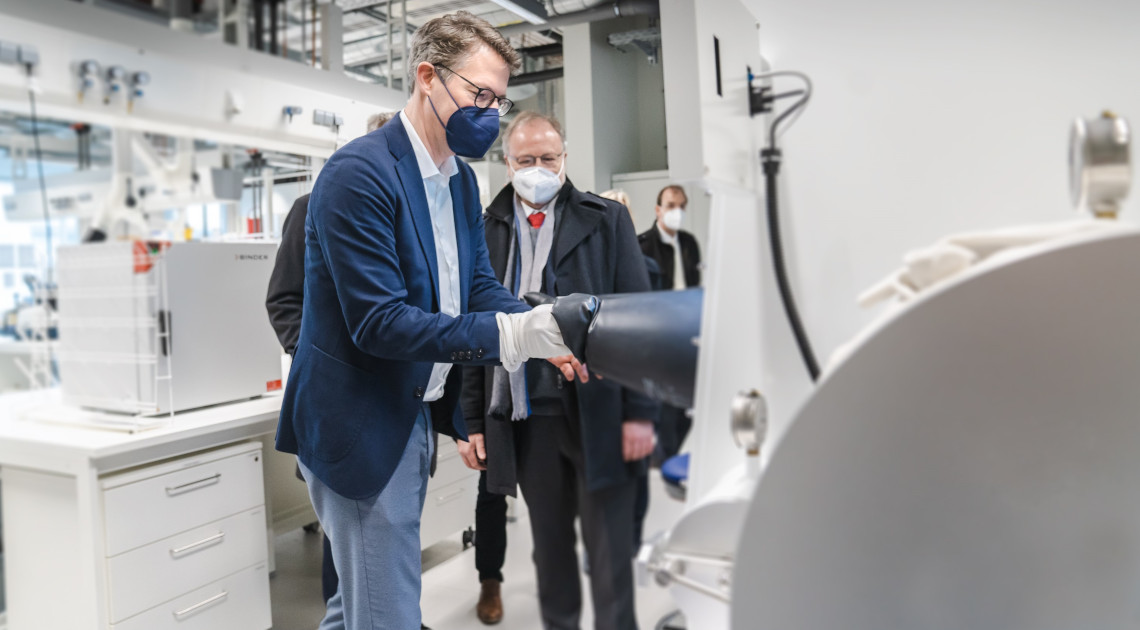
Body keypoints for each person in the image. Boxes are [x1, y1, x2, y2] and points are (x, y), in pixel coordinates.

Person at [274, 13, 576, 630]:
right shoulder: (359, 174)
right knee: (384, 615)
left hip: (409, 412)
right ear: (427, 77)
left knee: (355, 606)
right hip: (356, 424)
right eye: (478, 94)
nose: (489, 113)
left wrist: (538, 324)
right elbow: (381, 323)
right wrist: (510, 336)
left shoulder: (460, 181)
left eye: (498, 98)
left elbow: (476, 287)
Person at [460, 111, 659, 630]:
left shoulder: (605, 220)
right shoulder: (483, 230)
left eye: (549, 158)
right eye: (526, 160)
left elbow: (638, 319)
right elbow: (473, 329)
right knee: (550, 551)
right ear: (508, 165)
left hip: (598, 408)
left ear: (565, 158)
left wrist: (640, 412)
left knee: (610, 549)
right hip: (526, 415)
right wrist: (473, 422)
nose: (539, 169)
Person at [264, 111, 395, 607]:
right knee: (344, 536)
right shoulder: (312, 205)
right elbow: (283, 300)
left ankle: (387, 612)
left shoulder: (414, 210)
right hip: (338, 398)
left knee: (388, 534)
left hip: (398, 399)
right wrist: (320, 357)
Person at [638, 185, 701, 462]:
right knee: (664, 402)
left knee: (687, 402)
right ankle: (665, 456)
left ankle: (675, 451)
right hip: (659, 333)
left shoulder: (689, 243)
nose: (677, 211)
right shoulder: (643, 245)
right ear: (658, 209)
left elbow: (694, 283)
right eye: (671, 204)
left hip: (688, 328)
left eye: (681, 206)